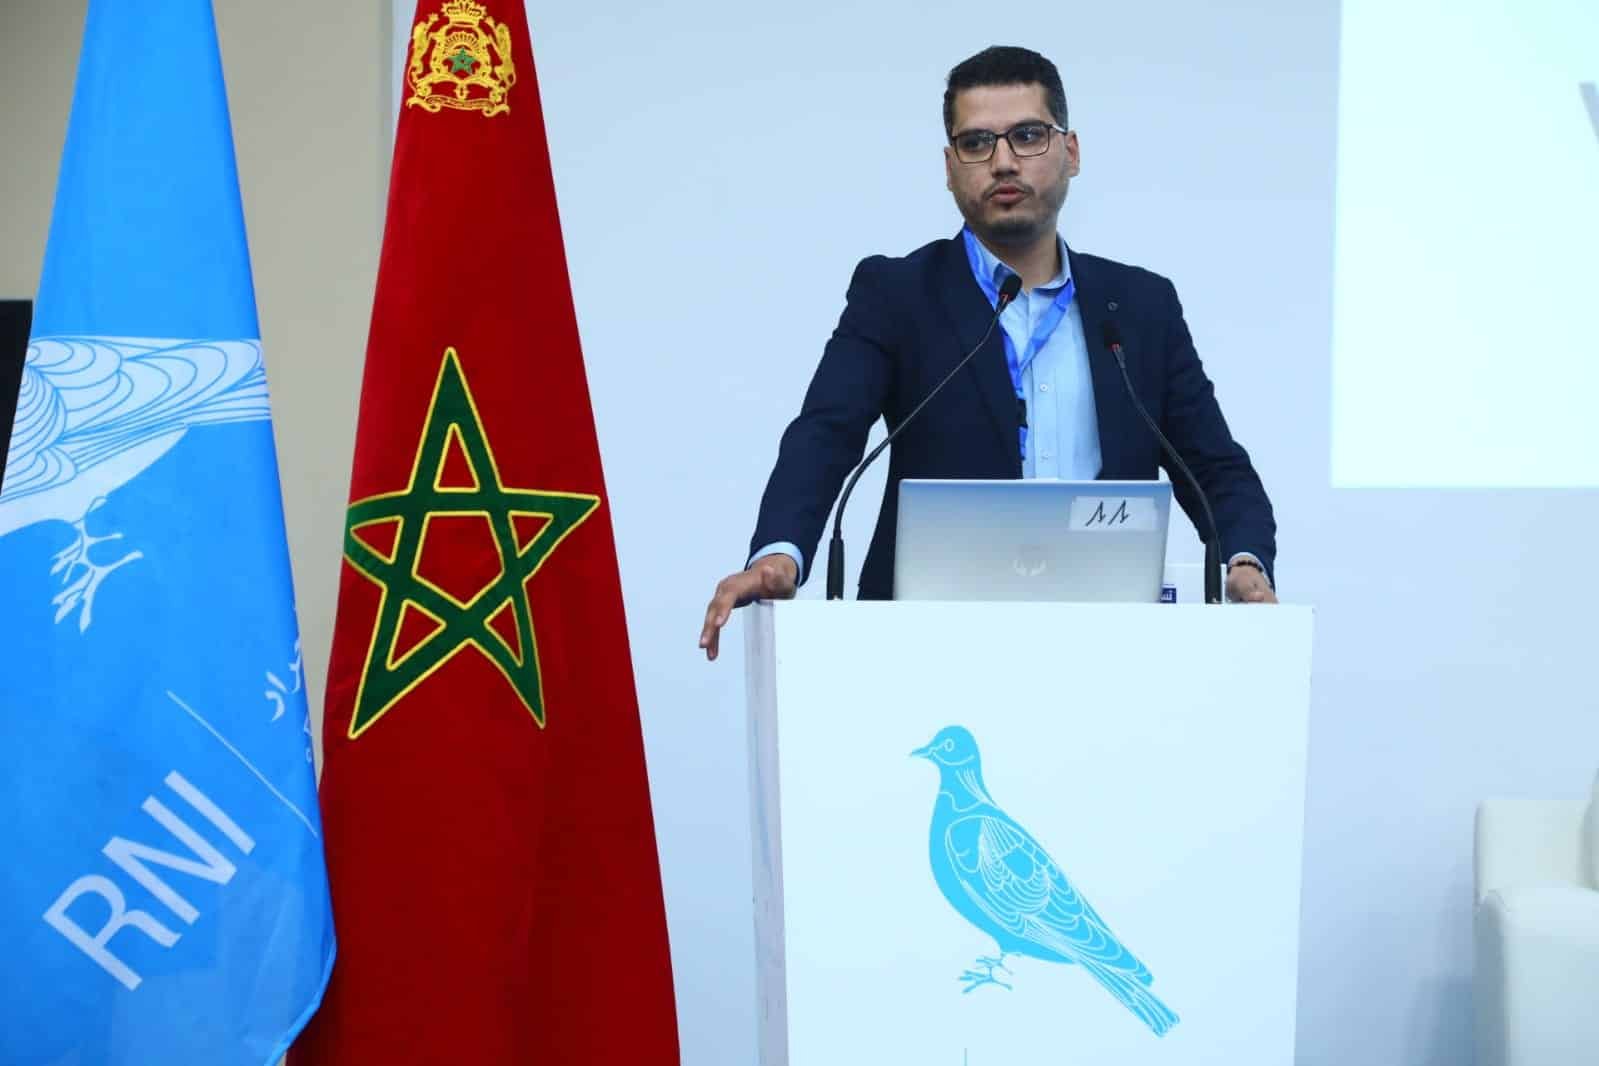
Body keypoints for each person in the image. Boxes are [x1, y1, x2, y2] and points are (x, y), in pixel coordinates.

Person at [699, 45, 1277, 660]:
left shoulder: (1140, 306)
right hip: (923, 650)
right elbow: (825, 434)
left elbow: (1215, 466)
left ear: (1071, 152)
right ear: (950, 167)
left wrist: (1244, 560)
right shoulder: (897, 294)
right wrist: (780, 553)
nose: (1003, 162)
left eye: (1027, 136)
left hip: (1111, 649)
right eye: (976, 143)